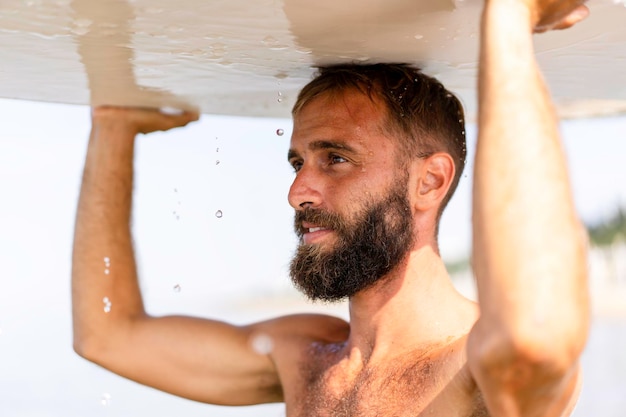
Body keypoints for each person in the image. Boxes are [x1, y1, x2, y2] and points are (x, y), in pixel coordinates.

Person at [72, 0, 591, 415]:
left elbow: (534, 335)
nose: (298, 192)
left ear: (429, 182)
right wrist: (112, 124)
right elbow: (107, 336)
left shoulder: (473, 368)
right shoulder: (304, 357)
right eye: (297, 161)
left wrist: (507, 20)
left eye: (336, 159)